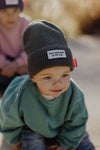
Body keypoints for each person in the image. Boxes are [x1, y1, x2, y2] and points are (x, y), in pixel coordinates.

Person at [0, 20, 95, 150]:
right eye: (48, 77)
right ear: (33, 77)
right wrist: (15, 141)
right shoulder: (21, 93)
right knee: (32, 142)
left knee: (83, 140)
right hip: (33, 127)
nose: (58, 83)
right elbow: (8, 118)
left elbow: (78, 121)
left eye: (65, 75)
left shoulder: (73, 92)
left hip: (64, 126)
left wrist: (65, 144)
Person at [0, 0, 31, 96]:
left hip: (23, 64)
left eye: (15, 11)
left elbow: (30, 48)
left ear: (21, 11)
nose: (10, 16)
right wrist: (7, 65)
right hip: (3, 66)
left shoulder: (26, 23)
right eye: (4, 11)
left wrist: (15, 65)